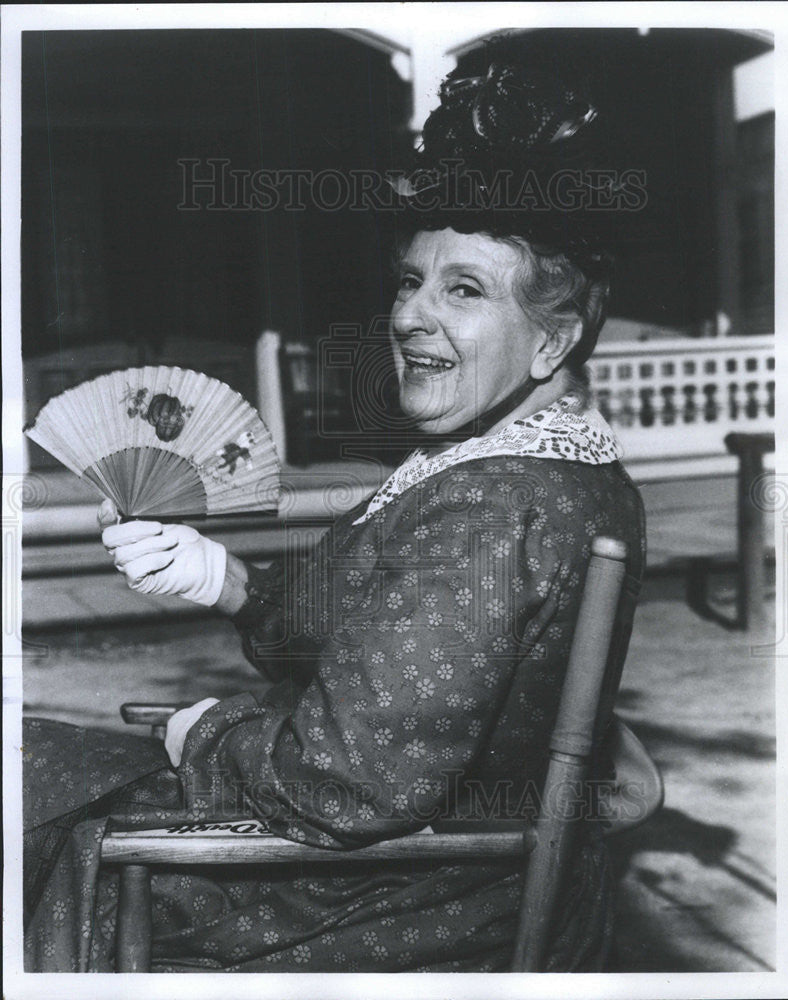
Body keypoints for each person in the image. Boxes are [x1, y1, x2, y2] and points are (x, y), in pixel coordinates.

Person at [23, 60, 645, 972]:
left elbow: (349, 783)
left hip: (386, 897)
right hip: (412, 869)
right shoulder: (508, 466)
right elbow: (369, 648)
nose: (409, 315)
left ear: (552, 339)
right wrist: (227, 580)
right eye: (408, 281)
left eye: (463, 290)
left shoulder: (488, 505)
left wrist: (201, 732)